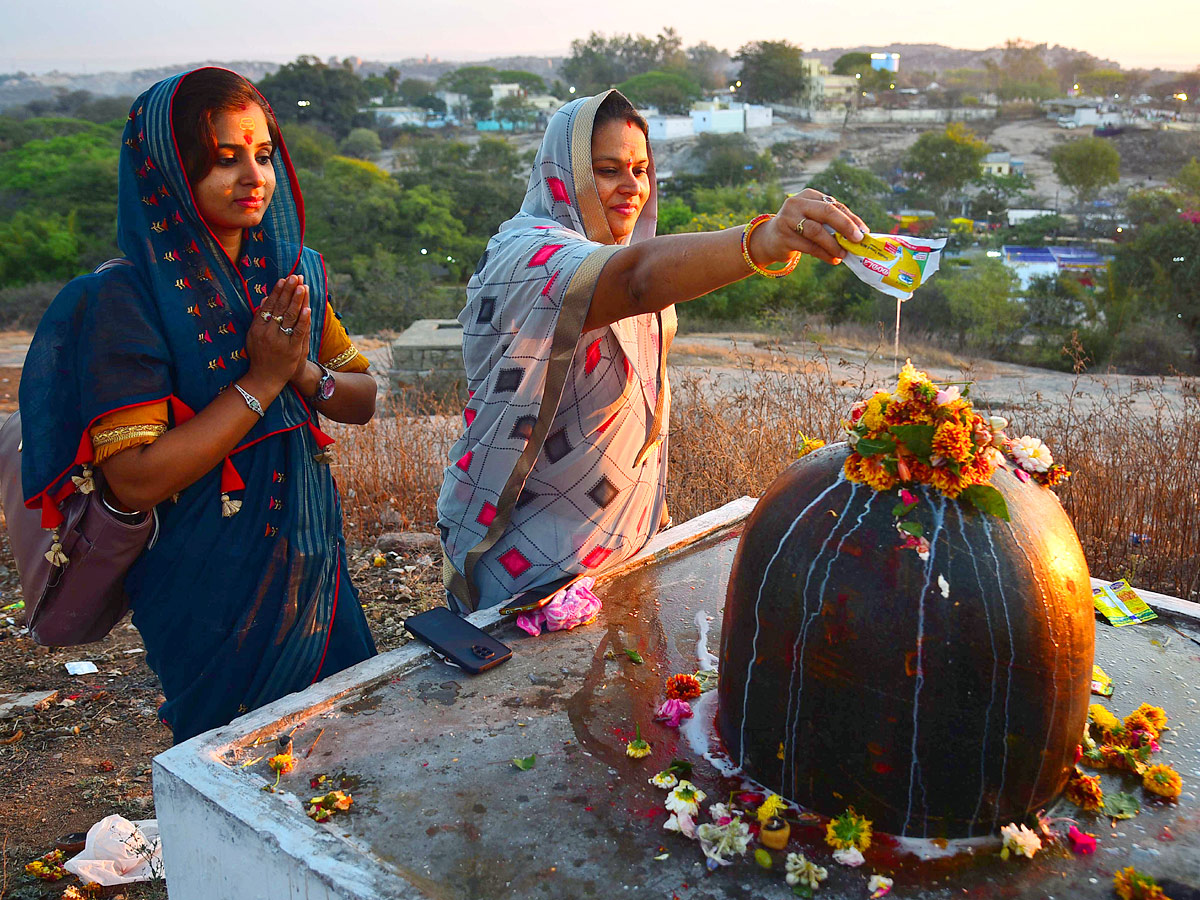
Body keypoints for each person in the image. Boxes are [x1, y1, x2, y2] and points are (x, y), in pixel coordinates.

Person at [19, 68, 378, 743]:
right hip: (203, 580)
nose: (253, 177)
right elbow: (136, 477)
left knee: (348, 739)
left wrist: (301, 369)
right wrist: (264, 382)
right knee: (232, 754)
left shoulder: (293, 273)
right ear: (170, 171)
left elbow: (359, 399)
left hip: (313, 557)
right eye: (224, 158)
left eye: (264, 155)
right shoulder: (125, 301)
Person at [437, 90, 868, 613]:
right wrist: (764, 240)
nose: (631, 188)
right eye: (608, 169)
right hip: (526, 560)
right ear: (562, 173)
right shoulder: (529, 256)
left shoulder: (613, 253)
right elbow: (637, 281)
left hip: (615, 545)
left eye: (641, 169)